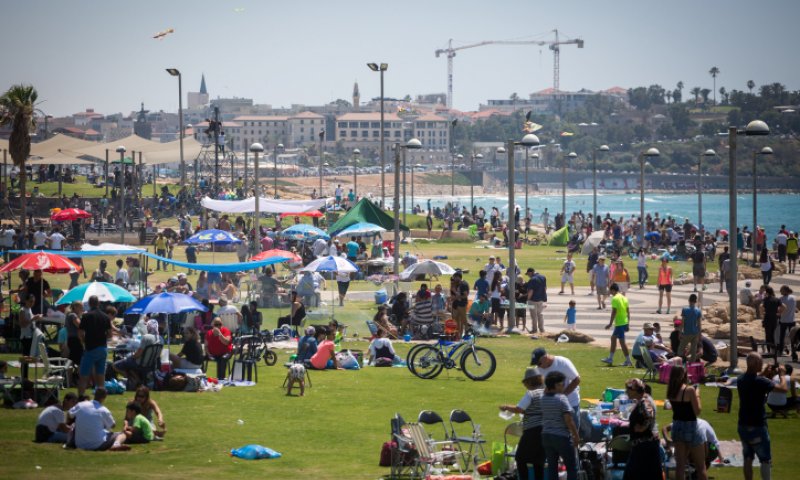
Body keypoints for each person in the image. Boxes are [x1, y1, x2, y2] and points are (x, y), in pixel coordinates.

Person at [736, 352, 788, 480]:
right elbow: (783, 389)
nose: (762, 364)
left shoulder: (741, 379)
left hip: (743, 424)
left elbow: (754, 380)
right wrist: (782, 375)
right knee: (765, 460)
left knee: (748, 458)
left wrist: (764, 373)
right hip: (758, 425)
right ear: (755, 364)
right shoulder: (761, 381)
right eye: (760, 362)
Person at [499, 367, 545, 480]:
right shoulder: (546, 392)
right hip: (546, 429)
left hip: (532, 430)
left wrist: (506, 407)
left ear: (529, 382)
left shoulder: (531, 393)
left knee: (520, 458)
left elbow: (519, 409)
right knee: (538, 461)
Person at [666, 365, 707, 480]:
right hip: (691, 428)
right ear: (683, 375)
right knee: (701, 467)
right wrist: (697, 394)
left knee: (680, 466)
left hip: (677, 427)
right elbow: (697, 411)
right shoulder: (689, 390)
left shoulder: (671, 391)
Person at [540, 371, 580, 480]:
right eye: (562, 384)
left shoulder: (543, 399)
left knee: (552, 467)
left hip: (546, 436)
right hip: (561, 437)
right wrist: (576, 436)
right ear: (556, 385)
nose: (564, 386)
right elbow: (568, 420)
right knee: (572, 467)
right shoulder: (562, 399)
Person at [623, 378, 663, 480]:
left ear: (634, 390)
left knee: (631, 474)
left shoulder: (644, 401)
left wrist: (642, 427)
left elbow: (649, 414)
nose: (626, 392)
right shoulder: (644, 399)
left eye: (627, 390)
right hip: (647, 445)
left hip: (644, 447)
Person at [531, 348, 581, 428]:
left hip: (570, 403)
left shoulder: (562, 363)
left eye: (539, 363)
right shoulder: (539, 368)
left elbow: (577, 379)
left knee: (572, 431)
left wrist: (562, 396)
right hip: (553, 406)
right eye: (536, 364)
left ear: (546, 358)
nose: (538, 366)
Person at [78, 295, 113, 397]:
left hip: (90, 348)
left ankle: (80, 397)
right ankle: (100, 399)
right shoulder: (105, 317)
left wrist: (84, 341)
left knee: (84, 376)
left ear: (89, 304)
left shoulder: (86, 316)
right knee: (100, 375)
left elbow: (80, 333)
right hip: (102, 348)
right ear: (98, 303)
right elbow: (110, 334)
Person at [601, 283, 633, 366]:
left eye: (610, 291)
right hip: (624, 322)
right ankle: (610, 358)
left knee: (622, 342)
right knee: (613, 338)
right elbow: (628, 311)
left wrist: (610, 323)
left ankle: (628, 360)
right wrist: (628, 323)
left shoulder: (615, 299)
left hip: (619, 323)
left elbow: (614, 312)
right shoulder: (624, 298)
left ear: (613, 290)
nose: (610, 293)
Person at [677, 293, 702, 362]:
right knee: (693, 352)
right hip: (695, 333)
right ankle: (692, 365)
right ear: (696, 301)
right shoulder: (698, 311)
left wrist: (680, 332)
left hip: (687, 333)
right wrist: (700, 335)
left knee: (680, 350)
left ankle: (680, 363)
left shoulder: (685, 310)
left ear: (689, 300)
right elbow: (699, 324)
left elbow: (682, 322)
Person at [525, 267, 547, 334]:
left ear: (530, 272)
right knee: (540, 314)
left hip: (533, 300)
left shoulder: (532, 280)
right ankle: (542, 329)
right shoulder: (543, 277)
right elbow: (545, 288)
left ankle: (534, 329)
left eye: (528, 274)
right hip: (541, 299)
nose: (528, 276)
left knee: (533, 315)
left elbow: (531, 291)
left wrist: (527, 299)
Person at [449, 271, 470, 339]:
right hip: (455, 303)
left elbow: (465, 295)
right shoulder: (454, 284)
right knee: (455, 319)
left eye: (455, 278)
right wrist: (452, 287)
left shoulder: (464, 284)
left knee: (463, 319)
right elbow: (452, 295)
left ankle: (467, 331)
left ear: (459, 277)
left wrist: (456, 296)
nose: (454, 279)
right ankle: (457, 335)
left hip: (462, 303)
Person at [777, 285, 796, 356]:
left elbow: (779, 309)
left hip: (784, 320)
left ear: (785, 291)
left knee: (782, 337)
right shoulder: (793, 298)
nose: (780, 291)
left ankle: (780, 351)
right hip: (792, 320)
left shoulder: (781, 299)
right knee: (793, 338)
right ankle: (793, 352)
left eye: (781, 290)